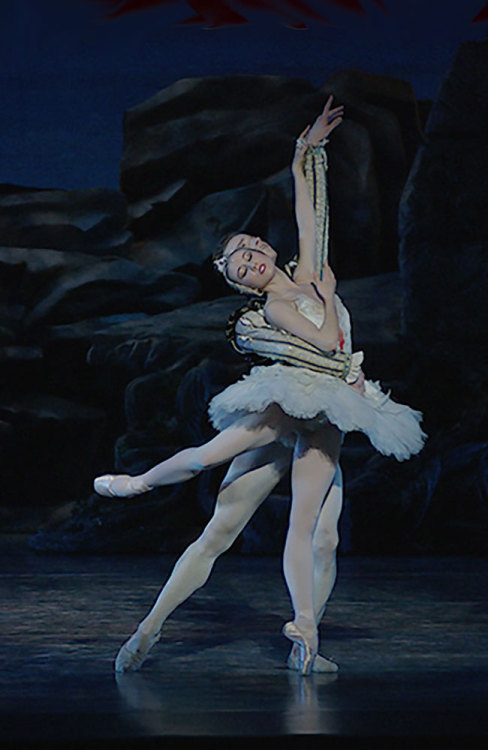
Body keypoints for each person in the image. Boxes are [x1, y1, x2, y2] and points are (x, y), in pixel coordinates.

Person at [94, 97, 426, 676]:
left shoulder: (313, 273)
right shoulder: (269, 310)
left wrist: (306, 154)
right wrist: (333, 335)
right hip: (288, 403)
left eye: (248, 247)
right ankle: (146, 583)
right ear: (238, 284)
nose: (245, 257)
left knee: (320, 535)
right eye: (233, 264)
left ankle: (307, 642)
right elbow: (323, 343)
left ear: (267, 249)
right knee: (219, 524)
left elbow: (311, 218)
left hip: (326, 411)